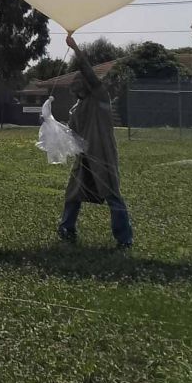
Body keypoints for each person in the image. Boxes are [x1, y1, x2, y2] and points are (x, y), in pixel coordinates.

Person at [57, 34, 133, 249]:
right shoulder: (78, 108)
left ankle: (124, 238)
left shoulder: (100, 96)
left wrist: (75, 48)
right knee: (73, 192)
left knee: (112, 194)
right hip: (84, 157)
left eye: (80, 85)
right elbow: (71, 132)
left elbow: (89, 73)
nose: (77, 89)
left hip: (102, 154)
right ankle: (66, 228)